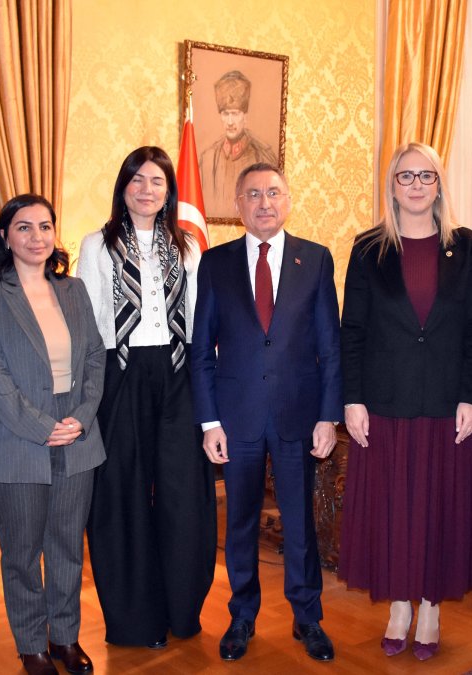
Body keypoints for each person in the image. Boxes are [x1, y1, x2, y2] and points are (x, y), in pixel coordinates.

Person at [337, 142, 472, 661]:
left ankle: (430, 606)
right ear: (393, 185)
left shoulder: (466, 247)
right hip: (384, 404)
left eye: (427, 175)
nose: (418, 185)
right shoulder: (367, 248)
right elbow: (351, 330)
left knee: (436, 508)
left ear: (439, 183)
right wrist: (352, 400)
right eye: (407, 176)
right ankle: (398, 604)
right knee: (394, 508)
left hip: (448, 406)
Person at [190, 162, 343, 662]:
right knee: (239, 524)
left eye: (273, 192)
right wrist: (210, 421)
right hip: (237, 420)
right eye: (253, 194)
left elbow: (330, 347)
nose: (264, 203)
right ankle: (241, 617)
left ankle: (307, 617)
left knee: (300, 524)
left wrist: (328, 416)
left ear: (288, 199)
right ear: (238, 206)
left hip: (299, 416)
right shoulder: (216, 264)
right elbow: (200, 350)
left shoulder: (315, 260)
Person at [78, 147, 217, 648]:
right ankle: (135, 618)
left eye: (156, 181)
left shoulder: (187, 248)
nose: (146, 189)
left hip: (177, 376)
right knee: (123, 494)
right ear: (123, 187)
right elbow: (91, 323)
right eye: (137, 180)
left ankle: (181, 609)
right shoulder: (97, 245)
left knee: (183, 495)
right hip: (121, 376)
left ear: (169, 190)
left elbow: (201, 319)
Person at [0, 194, 104, 675]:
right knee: (23, 552)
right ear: (5, 235)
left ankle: (65, 638)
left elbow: (94, 359)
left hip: (78, 436)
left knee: (67, 546)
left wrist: (82, 417)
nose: (36, 237)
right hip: (18, 441)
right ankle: (31, 645)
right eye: (23, 227)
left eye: (44, 227)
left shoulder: (74, 290)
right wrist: (41, 427)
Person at [199, 70, 278, 217]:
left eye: (235, 114)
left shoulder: (264, 156)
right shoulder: (207, 159)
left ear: (245, 116)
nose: (230, 122)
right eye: (225, 114)